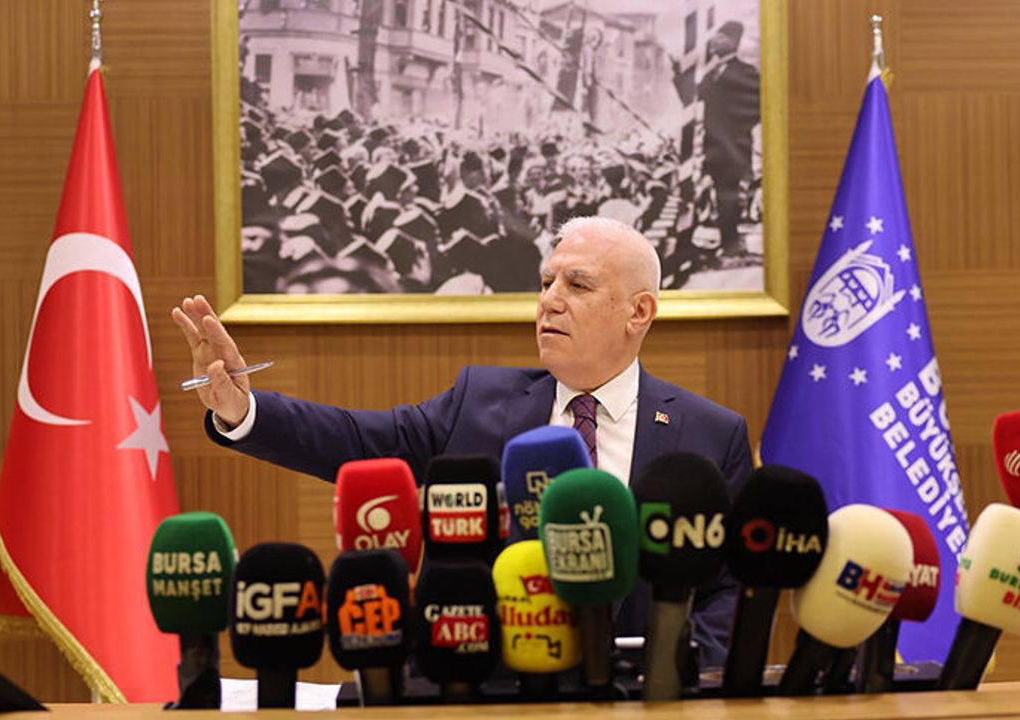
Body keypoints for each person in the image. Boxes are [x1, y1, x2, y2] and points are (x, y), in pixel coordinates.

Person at [172, 216, 753, 668]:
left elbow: (726, 589)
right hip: (479, 689)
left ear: (639, 312)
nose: (549, 300)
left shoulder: (709, 434)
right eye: (546, 282)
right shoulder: (479, 401)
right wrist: (243, 409)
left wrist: (685, 682)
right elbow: (358, 440)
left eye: (577, 284)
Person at [698, 20, 760, 257]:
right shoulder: (709, 75)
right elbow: (694, 102)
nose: (714, 42)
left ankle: (731, 244)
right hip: (711, 146)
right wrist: (679, 76)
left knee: (728, 194)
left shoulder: (746, 73)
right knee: (719, 194)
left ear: (733, 41)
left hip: (733, 146)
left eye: (721, 37)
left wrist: (733, 130)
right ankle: (728, 242)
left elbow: (756, 108)